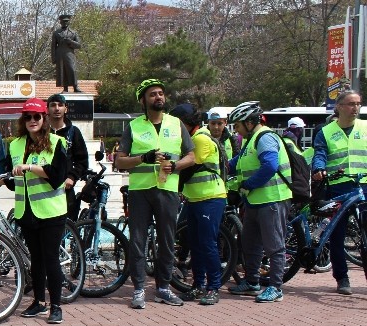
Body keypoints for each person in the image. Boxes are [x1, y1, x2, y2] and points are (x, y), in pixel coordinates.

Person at [114, 79, 195, 309]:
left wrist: (176, 165)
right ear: (143, 100)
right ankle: (139, 289)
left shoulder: (176, 123)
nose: (158, 97)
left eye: (161, 93)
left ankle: (163, 288)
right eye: (152, 95)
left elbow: (192, 156)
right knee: (138, 240)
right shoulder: (134, 126)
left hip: (167, 189)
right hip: (140, 190)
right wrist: (143, 158)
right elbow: (119, 160)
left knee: (167, 240)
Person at [7, 98, 70, 323]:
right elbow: (11, 178)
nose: (32, 120)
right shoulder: (14, 144)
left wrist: (30, 168)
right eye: (28, 117)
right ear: (23, 120)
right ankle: (39, 302)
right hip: (26, 211)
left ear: (44, 119)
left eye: (36, 116)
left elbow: (57, 176)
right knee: (36, 260)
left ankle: (56, 306)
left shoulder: (57, 142)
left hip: (51, 211)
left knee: (51, 258)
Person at [226, 101, 291, 303]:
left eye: (237, 125)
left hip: (272, 199)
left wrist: (248, 184)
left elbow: (270, 166)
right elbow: (233, 164)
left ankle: (275, 287)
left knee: (274, 245)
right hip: (255, 201)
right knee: (250, 243)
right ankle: (252, 281)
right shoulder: (250, 140)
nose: (235, 130)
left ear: (249, 122)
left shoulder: (265, 137)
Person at [169, 104, 227, 305]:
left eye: (177, 123)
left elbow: (188, 168)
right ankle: (198, 285)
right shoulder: (194, 137)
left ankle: (213, 288)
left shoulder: (200, 138)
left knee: (207, 244)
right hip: (195, 199)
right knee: (195, 244)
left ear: (186, 123)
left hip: (210, 198)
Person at [312, 91, 366, 295]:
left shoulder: (365, 127)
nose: (356, 108)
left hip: (364, 185)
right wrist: (318, 169)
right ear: (339, 107)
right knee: (337, 234)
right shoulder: (325, 132)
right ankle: (342, 278)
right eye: (351, 104)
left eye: (358, 104)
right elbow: (320, 155)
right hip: (339, 187)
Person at [45, 93, 88, 220]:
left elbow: (83, 161)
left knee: (67, 228)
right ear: (47, 109)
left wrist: (72, 177)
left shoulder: (73, 132)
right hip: (43, 188)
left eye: (60, 105)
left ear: (66, 109)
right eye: (53, 105)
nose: (57, 108)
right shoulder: (42, 132)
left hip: (65, 189)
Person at [51, 14, 82, 93]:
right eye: (63, 21)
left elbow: (79, 45)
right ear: (60, 22)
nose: (65, 23)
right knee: (62, 70)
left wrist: (70, 42)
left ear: (69, 22)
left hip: (69, 54)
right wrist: (53, 58)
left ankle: (75, 87)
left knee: (72, 69)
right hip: (60, 54)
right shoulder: (56, 33)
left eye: (66, 21)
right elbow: (53, 46)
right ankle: (65, 88)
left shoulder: (73, 32)